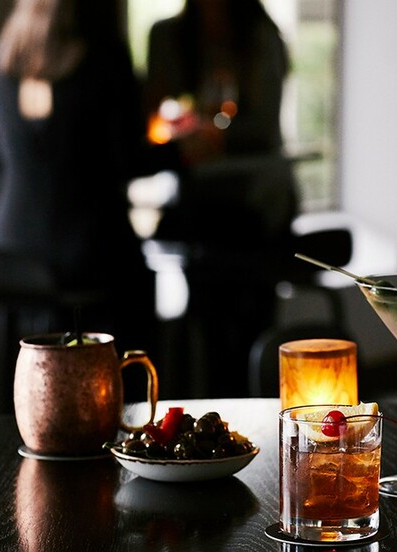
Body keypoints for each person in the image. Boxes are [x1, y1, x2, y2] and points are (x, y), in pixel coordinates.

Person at [0, 0, 168, 376]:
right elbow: (128, 162)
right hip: (88, 251)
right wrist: (179, 149)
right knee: (141, 285)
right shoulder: (104, 61)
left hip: (10, 248)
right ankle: (132, 415)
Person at [143, 0, 298, 397]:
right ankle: (211, 416)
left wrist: (212, 135)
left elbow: (264, 127)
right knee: (206, 317)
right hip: (203, 208)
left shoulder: (262, 39)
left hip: (258, 204)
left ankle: (258, 412)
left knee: (250, 319)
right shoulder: (171, 36)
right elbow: (154, 115)